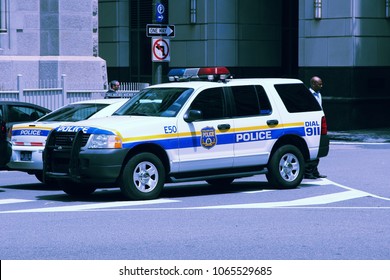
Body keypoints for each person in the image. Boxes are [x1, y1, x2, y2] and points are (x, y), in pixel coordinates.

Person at [305, 76, 327, 179]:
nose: (321, 86)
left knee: (318, 148)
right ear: (313, 84)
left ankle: (315, 171)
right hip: (311, 124)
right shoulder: (308, 95)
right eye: (319, 84)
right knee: (313, 147)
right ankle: (308, 171)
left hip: (319, 123)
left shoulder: (319, 94)